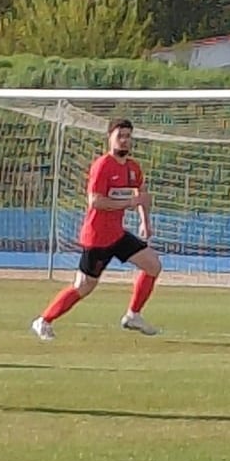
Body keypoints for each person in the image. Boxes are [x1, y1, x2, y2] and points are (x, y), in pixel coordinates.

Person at [31, 118, 163, 340]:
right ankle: (43, 320)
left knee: (153, 265)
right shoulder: (103, 165)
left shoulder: (133, 168)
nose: (125, 140)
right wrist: (130, 203)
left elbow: (141, 194)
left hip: (117, 235)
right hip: (97, 238)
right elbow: (96, 201)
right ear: (110, 137)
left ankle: (133, 315)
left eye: (128, 136)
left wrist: (145, 222)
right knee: (83, 286)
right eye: (120, 136)